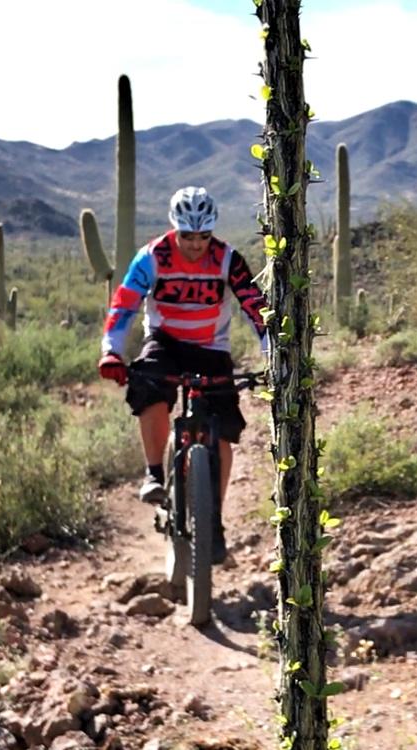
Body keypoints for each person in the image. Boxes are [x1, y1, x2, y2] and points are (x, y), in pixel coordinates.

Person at [97, 186, 269, 562]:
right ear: (175, 228)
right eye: (188, 236)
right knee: (149, 387)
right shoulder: (153, 257)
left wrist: (272, 353)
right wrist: (111, 351)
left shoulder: (227, 260)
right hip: (165, 341)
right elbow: (124, 306)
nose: (195, 244)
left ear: (212, 232)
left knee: (222, 433)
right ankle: (155, 473)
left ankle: (214, 521)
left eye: (203, 236)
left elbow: (255, 306)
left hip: (211, 348)